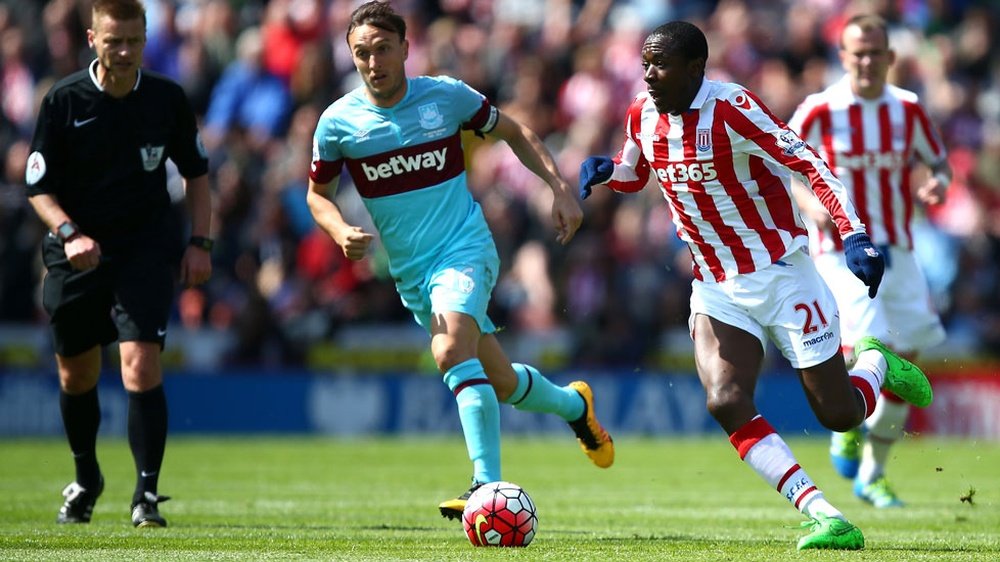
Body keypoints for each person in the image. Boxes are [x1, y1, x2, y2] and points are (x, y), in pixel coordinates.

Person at [579, 20, 933, 550]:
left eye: (661, 65)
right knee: (724, 399)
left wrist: (854, 234)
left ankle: (877, 359)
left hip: (782, 275)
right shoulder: (641, 112)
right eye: (645, 64)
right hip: (716, 285)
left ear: (696, 68)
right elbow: (637, 171)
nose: (649, 75)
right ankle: (825, 515)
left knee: (838, 413)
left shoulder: (733, 108)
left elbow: (809, 162)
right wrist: (607, 171)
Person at [306, 0, 614, 521]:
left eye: (384, 49)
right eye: (363, 53)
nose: (374, 62)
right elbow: (318, 194)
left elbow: (514, 132)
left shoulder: (445, 98)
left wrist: (559, 188)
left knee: (449, 351)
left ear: (406, 48)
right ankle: (574, 406)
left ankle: (485, 487)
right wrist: (339, 230)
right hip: (412, 275)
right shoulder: (338, 124)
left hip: (464, 248)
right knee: (501, 383)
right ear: (351, 57)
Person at [24, 0, 212, 528]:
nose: (125, 51)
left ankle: (146, 495)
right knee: (77, 374)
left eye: (134, 40)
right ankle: (87, 478)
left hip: (145, 249)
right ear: (92, 39)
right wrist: (69, 233)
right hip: (77, 252)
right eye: (114, 41)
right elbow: (38, 187)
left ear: (145, 37)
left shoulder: (166, 98)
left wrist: (201, 241)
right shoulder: (62, 101)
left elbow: (197, 172)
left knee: (140, 364)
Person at [787, 13, 949, 508]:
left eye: (875, 52)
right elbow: (784, 163)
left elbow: (936, 160)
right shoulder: (818, 109)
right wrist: (811, 205)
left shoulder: (909, 109)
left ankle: (873, 474)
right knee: (872, 343)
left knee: (910, 361)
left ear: (890, 58)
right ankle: (848, 421)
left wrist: (937, 181)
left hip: (899, 248)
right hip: (842, 249)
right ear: (843, 56)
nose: (866, 61)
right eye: (857, 52)